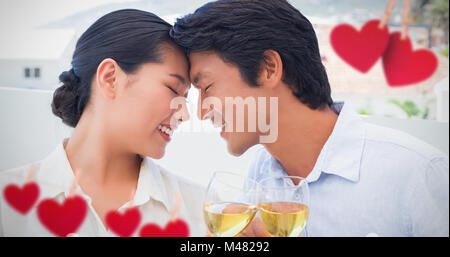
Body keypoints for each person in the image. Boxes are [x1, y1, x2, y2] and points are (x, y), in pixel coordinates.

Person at [170, 0, 449, 236]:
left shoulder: (418, 173)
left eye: (207, 87)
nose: (201, 111)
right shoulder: (260, 177)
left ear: (268, 69)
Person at [0, 9, 206, 237]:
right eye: (173, 89)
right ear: (110, 78)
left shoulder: (203, 212)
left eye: (185, 97)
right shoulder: (6, 205)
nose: (185, 114)